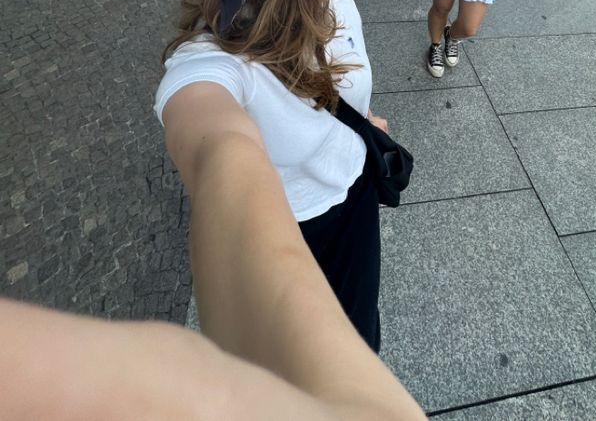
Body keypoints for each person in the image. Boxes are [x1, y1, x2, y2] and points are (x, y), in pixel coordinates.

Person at [0, 117, 424, 420]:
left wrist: (360, 111)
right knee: (330, 348)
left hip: (356, 191)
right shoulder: (210, 52)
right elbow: (220, 141)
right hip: (292, 215)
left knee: (363, 329)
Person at [155, 0, 386, 351]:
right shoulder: (214, 60)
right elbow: (210, 133)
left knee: (363, 327)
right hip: (297, 230)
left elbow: (338, 78)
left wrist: (362, 119)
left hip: (356, 187)